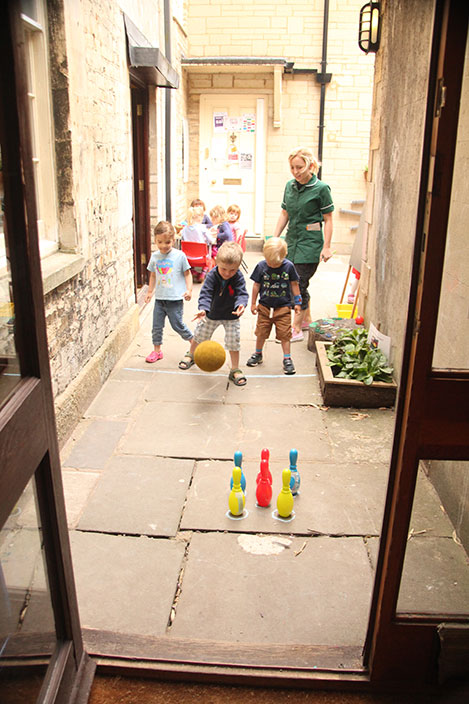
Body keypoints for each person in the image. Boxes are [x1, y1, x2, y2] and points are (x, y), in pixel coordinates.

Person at [272, 146, 334, 341]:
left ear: (311, 166)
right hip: (291, 243)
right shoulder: (289, 186)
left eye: (299, 167)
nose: (296, 172)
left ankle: (296, 329)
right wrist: (275, 238)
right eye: (292, 167)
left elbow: (329, 219)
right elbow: (285, 213)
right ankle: (306, 319)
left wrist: (326, 247)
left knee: (297, 284)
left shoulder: (321, 189)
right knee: (297, 282)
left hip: (310, 244)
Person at [178, 242, 249, 387]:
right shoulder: (212, 275)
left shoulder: (238, 277)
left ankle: (234, 369)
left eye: (232, 270)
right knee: (200, 335)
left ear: (238, 266)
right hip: (212, 313)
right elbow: (206, 294)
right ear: (217, 262)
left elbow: (242, 293)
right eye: (224, 269)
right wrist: (203, 309)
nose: (228, 273)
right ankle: (191, 354)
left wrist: (241, 304)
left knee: (233, 341)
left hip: (231, 314)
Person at [246, 237, 301, 375]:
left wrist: (298, 302)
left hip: (283, 308)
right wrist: (253, 303)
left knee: (285, 334)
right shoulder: (261, 266)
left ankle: (287, 359)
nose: (272, 265)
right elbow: (256, 285)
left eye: (276, 263)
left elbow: (294, 284)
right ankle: (258, 354)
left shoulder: (289, 266)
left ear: (284, 256)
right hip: (264, 307)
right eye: (269, 262)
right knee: (261, 332)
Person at [144, 221, 193, 363]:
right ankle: (157, 351)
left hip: (175, 299)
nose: (163, 246)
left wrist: (189, 290)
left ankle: (194, 343)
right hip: (160, 299)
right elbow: (153, 275)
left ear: (173, 240)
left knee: (177, 324)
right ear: (155, 240)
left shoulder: (180, 256)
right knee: (156, 326)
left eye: (167, 242)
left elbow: (187, 274)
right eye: (160, 242)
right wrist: (149, 292)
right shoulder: (154, 257)